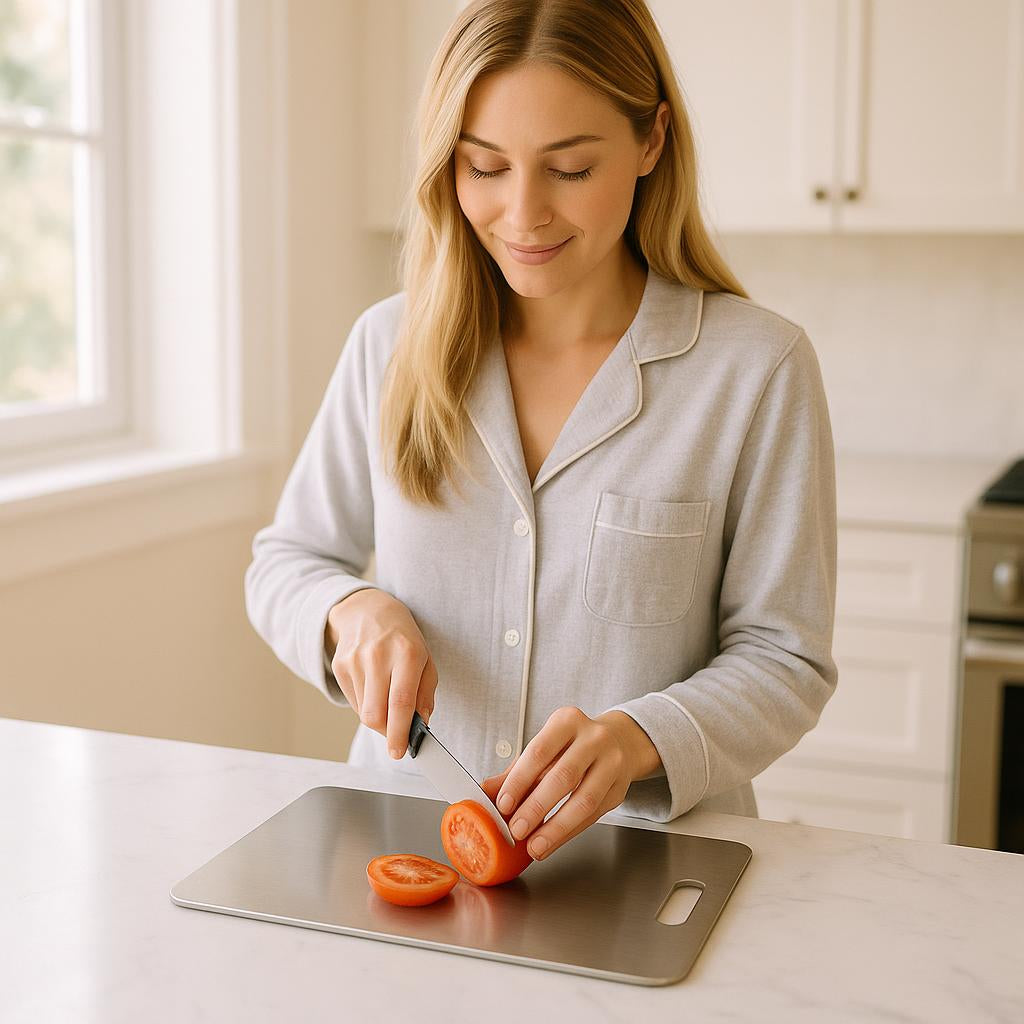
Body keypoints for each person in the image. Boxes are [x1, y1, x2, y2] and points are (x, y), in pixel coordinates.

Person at [244, 0, 838, 864]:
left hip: (646, 865)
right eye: (484, 167)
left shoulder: (757, 369)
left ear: (651, 142)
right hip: (413, 849)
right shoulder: (388, 344)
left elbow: (786, 658)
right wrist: (350, 611)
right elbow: (285, 561)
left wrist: (641, 736)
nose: (522, 215)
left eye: (568, 169)